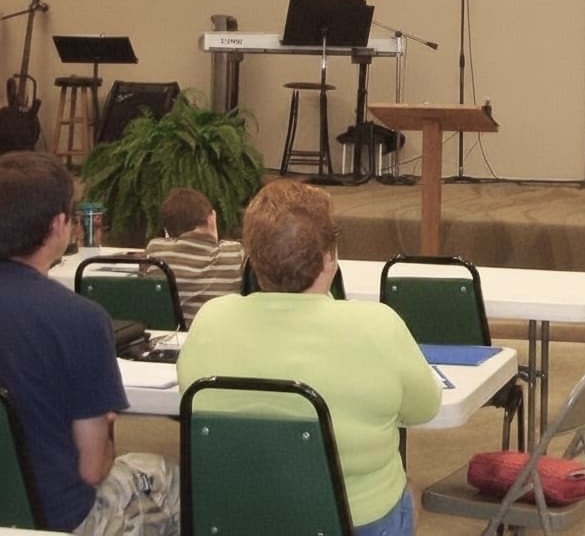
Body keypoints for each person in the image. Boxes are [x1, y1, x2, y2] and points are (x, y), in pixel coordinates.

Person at [177, 179, 441, 536]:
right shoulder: (378, 326)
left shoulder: (210, 320)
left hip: (238, 517)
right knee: (410, 494)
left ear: (252, 259)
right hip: (355, 521)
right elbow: (424, 409)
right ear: (329, 256)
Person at [0, 151, 179, 535]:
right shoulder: (80, 319)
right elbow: (93, 469)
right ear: (59, 225)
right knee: (168, 477)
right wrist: (106, 425)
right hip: (58, 519)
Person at [144, 187, 244, 326]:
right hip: (218, 336)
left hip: (172, 338)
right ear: (210, 219)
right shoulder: (234, 252)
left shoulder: (155, 250)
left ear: (167, 230)